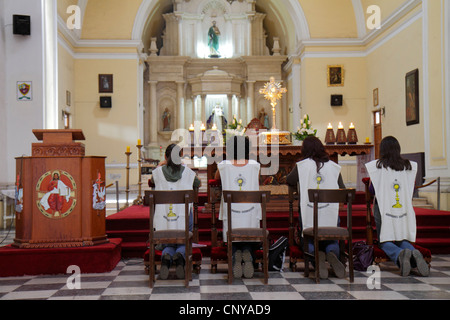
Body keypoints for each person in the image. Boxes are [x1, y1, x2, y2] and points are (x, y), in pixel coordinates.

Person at [365, 136, 429, 277]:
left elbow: (372, 191)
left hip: (383, 209)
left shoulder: (378, 166)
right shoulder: (408, 166)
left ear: (382, 150)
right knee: (402, 239)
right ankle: (412, 252)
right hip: (403, 209)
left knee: (384, 241)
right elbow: (411, 189)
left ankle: (400, 254)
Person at [286, 136, 346, 279]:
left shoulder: (302, 166)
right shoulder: (333, 166)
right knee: (331, 239)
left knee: (309, 240)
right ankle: (331, 254)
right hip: (330, 215)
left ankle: (316, 258)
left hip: (309, 214)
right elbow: (342, 191)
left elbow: (289, 180)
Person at [150, 144, 201, 280]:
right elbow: (198, 183)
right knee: (183, 239)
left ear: (166, 157)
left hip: (163, 220)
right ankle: (180, 257)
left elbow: (152, 181)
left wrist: (161, 165)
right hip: (183, 219)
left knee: (168, 241)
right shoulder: (188, 173)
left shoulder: (158, 173)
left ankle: (167, 258)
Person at [215, 136, 261, 279]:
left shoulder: (223, 165)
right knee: (248, 233)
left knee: (233, 233)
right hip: (250, 210)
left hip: (232, 211)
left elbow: (216, 177)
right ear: (247, 150)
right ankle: (247, 254)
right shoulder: (255, 165)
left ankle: (235, 255)